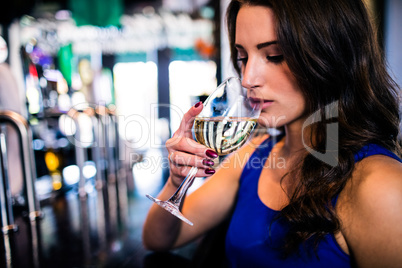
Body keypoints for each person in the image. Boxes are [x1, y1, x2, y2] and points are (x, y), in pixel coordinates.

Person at [143, 0, 402, 267]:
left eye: (275, 56)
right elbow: (158, 240)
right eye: (243, 57)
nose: (247, 79)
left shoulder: (382, 186)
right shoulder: (254, 154)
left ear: (331, 56)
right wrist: (176, 181)